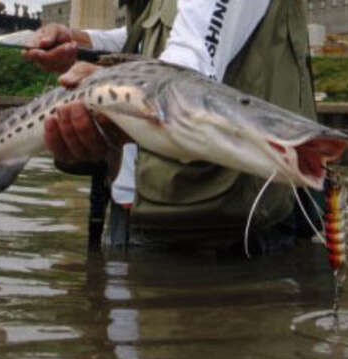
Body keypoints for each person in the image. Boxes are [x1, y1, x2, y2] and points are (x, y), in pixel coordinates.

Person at [23, 0, 319, 254]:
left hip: (217, 238)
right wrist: (79, 42)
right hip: (139, 212)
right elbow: (150, 36)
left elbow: (186, 64)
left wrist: (105, 91)